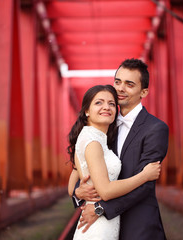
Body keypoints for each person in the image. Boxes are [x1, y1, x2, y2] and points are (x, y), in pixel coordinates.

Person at [71, 58, 169, 239]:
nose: (120, 89)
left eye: (129, 84)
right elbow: (85, 167)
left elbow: (146, 184)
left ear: (144, 92)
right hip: (103, 227)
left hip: (138, 226)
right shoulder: (105, 123)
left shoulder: (156, 129)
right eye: (117, 82)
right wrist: (78, 192)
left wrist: (100, 209)